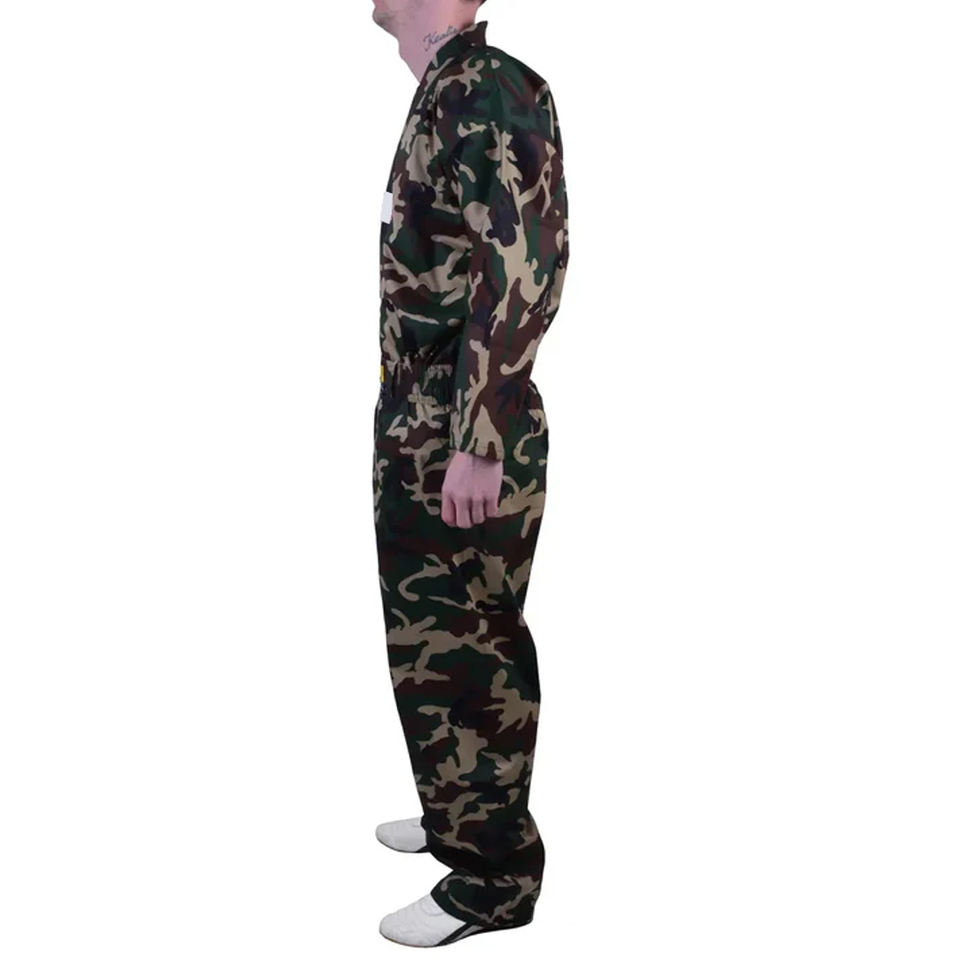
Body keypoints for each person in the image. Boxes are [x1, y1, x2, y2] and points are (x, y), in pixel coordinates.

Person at [369, 0, 569, 946]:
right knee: (432, 641)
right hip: (427, 423)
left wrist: (479, 436)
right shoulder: (449, 89)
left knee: (472, 646)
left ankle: (494, 877)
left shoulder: (488, 89)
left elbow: (524, 266)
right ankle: (458, 815)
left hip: (462, 429)